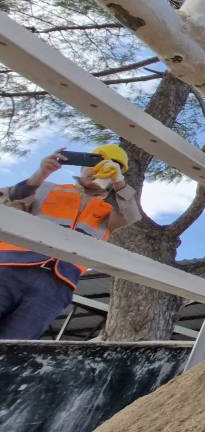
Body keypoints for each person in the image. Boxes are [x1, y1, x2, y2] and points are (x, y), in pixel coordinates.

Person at [0, 144, 139, 339]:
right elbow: (11, 200)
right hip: (8, 270)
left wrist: (119, 184)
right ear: (82, 165)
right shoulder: (47, 189)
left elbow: (131, 216)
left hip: (56, 287)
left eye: (108, 166)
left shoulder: (108, 213)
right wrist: (41, 173)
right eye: (94, 161)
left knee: (10, 348)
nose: (97, 169)